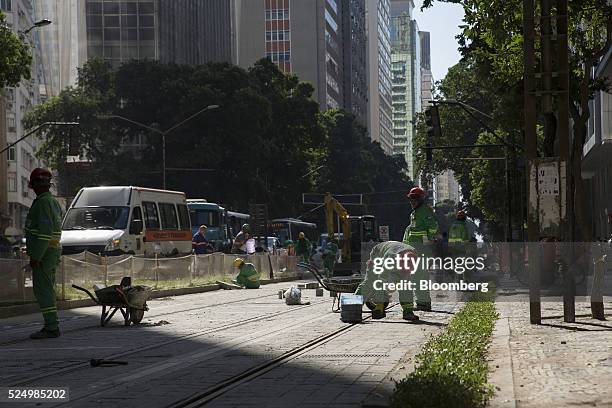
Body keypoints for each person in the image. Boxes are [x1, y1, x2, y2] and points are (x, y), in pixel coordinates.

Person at [25, 168, 63, 339]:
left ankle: (51, 326)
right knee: (47, 288)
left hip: (44, 254)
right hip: (51, 252)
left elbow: (44, 233)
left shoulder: (43, 203)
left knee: (43, 290)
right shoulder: (51, 202)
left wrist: (36, 256)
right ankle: (51, 324)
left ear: (34, 185)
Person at [355, 241, 420, 321]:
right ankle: (354, 307)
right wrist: (380, 305)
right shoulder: (390, 259)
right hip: (378, 253)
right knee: (370, 281)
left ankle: (408, 312)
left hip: (395, 252)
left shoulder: (414, 254)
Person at [402, 187, 437, 313]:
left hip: (422, 249)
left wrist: (430, 238)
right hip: (415, 250)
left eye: (415, 199)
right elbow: (411, 232)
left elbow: (433, 226)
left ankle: (424, 303)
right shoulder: (415, 213)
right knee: (416, 277)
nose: (412, 202)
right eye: (411, 199)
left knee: (420, 277)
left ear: (421, 199)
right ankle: (422, 302)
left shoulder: (425, 211)